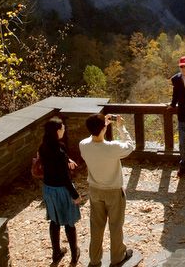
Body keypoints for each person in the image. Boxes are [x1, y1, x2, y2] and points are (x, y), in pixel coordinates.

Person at [79, 113, 136, 267]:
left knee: (96, 227)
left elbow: (92, 136)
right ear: (103, 128)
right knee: (115, 225)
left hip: (95, 191)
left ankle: (94, 260)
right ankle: (117, 257)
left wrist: (101, 125)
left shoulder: (83, 145)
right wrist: (121, 127)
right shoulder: (113, 148)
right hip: (113, 191)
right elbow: (130, 145)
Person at [39, 116, 81, 266]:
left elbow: (54, 161)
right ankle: (74, 254)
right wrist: (75, 195)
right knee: (69, 223)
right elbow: (65, 178)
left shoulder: (44, 146)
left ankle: (56, 253)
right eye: (63, 128)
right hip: (62, 190)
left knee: (55, 220)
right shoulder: (59, 151)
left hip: (48, 189)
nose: (64, 129)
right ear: (57, 131)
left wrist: (67, 160)